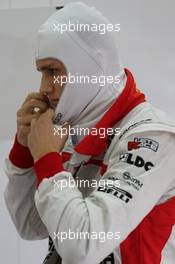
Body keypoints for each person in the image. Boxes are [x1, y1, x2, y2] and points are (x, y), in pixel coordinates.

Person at [4, 2, 175, 264]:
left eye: (53, 71)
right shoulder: (74, 131)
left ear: (88, 67)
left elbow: (82, 247)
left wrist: (48, 157)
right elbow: (31, 225)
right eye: (42, 72)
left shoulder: (153, 138)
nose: (45, 88)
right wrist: (25, 150)